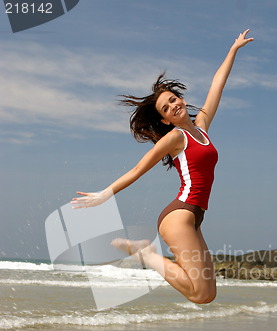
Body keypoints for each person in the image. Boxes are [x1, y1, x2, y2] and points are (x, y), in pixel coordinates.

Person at [71, 30, 254, 304]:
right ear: (166, 120)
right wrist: (104, 194)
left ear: (181, 99)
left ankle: (146, 254)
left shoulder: (201, 127)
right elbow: (137, 169)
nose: (173, 106)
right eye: (166, 109)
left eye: (173, 100)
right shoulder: (175, 138)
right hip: (179, 216)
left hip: (195, 216)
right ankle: (146, 255)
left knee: (207, 295)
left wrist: (233, 49)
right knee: (200, 294)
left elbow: (218, 84)